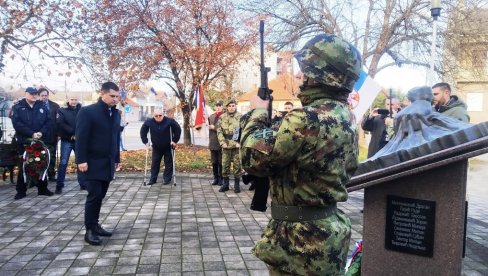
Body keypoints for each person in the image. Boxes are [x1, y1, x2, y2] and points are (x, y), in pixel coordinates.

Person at [240, 34, 362, 275]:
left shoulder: (307, 118)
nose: (298, 75)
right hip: (325, 231)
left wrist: (257, 113)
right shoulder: (345, 115)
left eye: (305, 69)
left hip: (300, 242)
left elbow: (252, 159)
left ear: (321, 76)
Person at [76, 81, 121, 246]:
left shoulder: (116, 114)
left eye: (117, 96)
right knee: (94, 195)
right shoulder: (88, 112)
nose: (115, 99)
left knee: (101, 195)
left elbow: (115, 138)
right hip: (91, 162)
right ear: (102, 94)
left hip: (107, 162)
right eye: (112, 96)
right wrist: (81, 160)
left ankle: (95, 225)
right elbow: (81, 138)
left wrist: (117, 159)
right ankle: (89, 230)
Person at [11, 87, 54, 200]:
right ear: (26, 94)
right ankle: (21, 190)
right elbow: (17, 124)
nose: (33, 96)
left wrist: (41, 132)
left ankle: (42, 189)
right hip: (24, 141)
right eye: (31, 94)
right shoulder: (18, 107)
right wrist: (31, 134)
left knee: (41, 163)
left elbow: (48, 122)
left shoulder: (42, 106)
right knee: (24, 165)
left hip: (39, 140)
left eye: (35, 94)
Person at [140, 108, 181, 185]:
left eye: (160, 115)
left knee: (168, 163)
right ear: (153, 116)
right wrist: (145, 141)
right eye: (156, 116)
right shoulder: (149, 122)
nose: (158, 117)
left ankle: (167, 179)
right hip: (156, 147)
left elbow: (178, 130)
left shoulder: (169, 121)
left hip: (168, 146)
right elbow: (143, 131)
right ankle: (153, 179)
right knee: (155, 163)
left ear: (163, 115)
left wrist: (175, 141)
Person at [55, 94, 84, 194]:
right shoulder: (62, 110)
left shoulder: (82, 109)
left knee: (81, 162)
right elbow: (60, 123)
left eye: (75, 99)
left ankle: (83, 184)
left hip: (79, 140)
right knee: (63, 163)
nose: (74, 101)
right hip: (66, 140)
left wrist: (77, 134)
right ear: (68, 100)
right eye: (72, 99)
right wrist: (72, 133)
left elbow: (84, 123)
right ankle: (59, 185)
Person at [217, 99, 242, 193]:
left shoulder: (240, 117)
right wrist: (222, 142)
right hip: (226, 144)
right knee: (225, 165)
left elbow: (243, 131)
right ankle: (225, 185)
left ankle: (236, 185)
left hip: (236, 144)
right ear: (227, 107)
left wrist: (240, 142)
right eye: (229, 106)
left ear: (235, 106)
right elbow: (219, 131)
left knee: (237, 165)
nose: (231, 108)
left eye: (233, 106)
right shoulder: (222, 117)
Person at [39, 88, 60, 181]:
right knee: (39, 156)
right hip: (40, 136)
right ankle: (39, 176)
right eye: (42, 95)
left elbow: (59, 121)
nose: (44, 97)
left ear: (48, 95)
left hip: (52, 135)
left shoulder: (55, 106)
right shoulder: (36, 105)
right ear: (39, 96)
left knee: (52, 155)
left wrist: (59, 134)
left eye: (45, 95)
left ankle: (51, 175)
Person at [208, 100, 224, 186]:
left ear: (222, 107)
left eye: (219, 105)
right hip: (213, 142)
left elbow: (225, 129)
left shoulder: (225, 116)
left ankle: (221, 178)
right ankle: (215, 177)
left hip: (221, 143)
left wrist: (214, 127)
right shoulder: (211, 117)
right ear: (214, 107)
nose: (218, 107)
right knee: (214, 161)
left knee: (221, 161)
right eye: (216, 105)